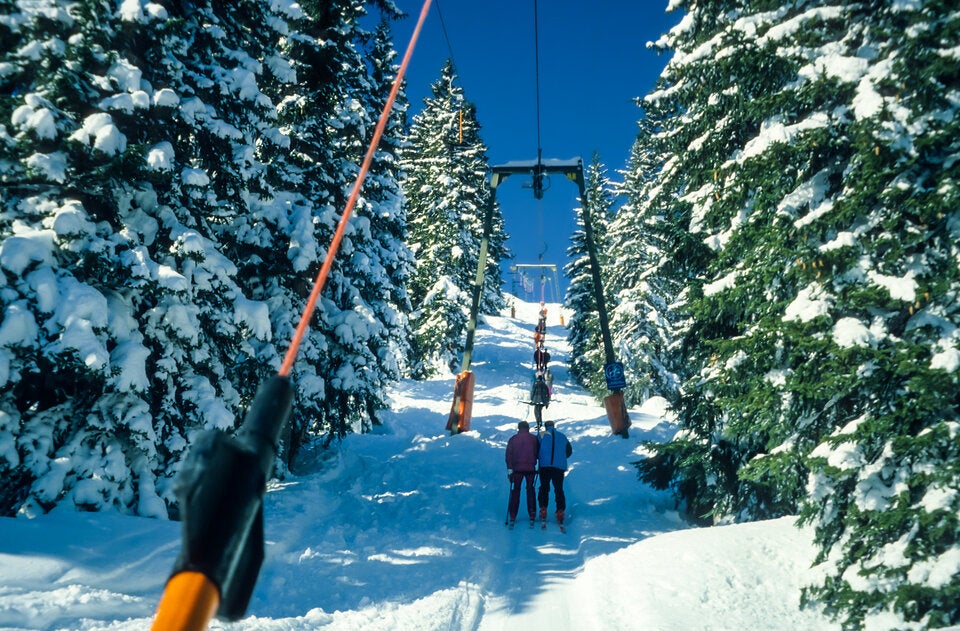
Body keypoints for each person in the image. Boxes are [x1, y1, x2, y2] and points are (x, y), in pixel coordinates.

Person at [537, 420, 572, 524]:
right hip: (559, 467)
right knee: (559, 488)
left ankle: (543, 508)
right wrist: (560, 457)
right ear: (554, 426)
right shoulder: (562, 436)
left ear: (545, 427)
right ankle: (560, 510)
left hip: (544, 466)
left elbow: (536, 448)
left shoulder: (541, 435)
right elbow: (569, 451)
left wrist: (540, 457)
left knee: (544, 487)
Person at [505, 420, 539, 526]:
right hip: (530, 469)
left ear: (518, 428)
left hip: (517, 470)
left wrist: (510, 470)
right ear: (528, 428)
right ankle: (532, 513)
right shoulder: (534, 439)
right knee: (530, 490)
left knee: (516, 491)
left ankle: (513, 514)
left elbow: (508, 456)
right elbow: (538, 453)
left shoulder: (513, 439)